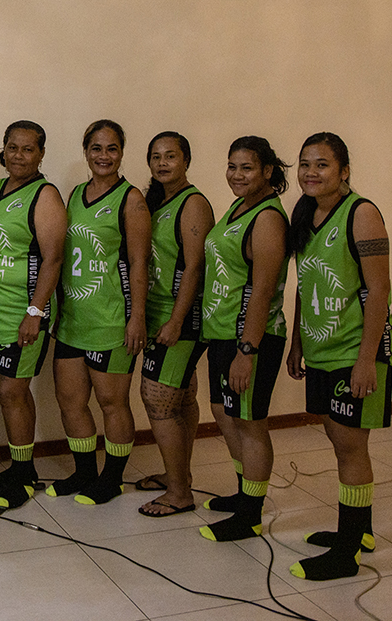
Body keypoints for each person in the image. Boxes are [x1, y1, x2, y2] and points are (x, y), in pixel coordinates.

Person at [286, 132, 392, 581]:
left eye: (322, 164)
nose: (311, 172)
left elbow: (379, 290)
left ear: (344, 170)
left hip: (355, 350)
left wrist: (366, 360)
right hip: (321, 347)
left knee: (351, 447)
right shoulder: (306, 213)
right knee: (338, 438)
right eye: (305, 164)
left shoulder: (362, 213)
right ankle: (358, 530)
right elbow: (305, 284)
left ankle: (346, 553)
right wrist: (297, 342)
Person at [48, 120, 150, 505]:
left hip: (111, 321)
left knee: (112, 403)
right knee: (70, 401)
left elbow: (139, 264)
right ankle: (84, 472)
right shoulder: (75, 194)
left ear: (121, 152)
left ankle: (113, 478)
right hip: (73, 320)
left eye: (111, 148)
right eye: (96, 148)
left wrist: (136, 318)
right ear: (86, 151)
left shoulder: (131, 200)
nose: (103, 156)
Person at [198, 136, 290, 542]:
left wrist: (247, 350)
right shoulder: (241, 206)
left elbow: (263, 290)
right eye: (232, 166)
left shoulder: (267, 218)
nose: (237, 175)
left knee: (250, 424)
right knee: (224, 413)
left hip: (250, 338)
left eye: (247, 168)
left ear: (267, 171)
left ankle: (250, 514)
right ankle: (243, 494)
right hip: (222, 332)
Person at [0, 120, 66, 509]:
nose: (19, 155)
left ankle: (24, 476)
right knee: (7, 391)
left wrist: (35, 311)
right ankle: (18, 467)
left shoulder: (45, 195)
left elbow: (53, 258)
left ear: (41, 154)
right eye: (13, 147)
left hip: (22, 315)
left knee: (12, 391)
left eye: (28, 149)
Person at [135, 132, 214, 517]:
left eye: (171, 156)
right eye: (156, 156)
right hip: (158, 312)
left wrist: (177, 320)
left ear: (186, 160)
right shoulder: (157, 201)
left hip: (179, 317)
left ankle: (180, 493)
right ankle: (177, 474)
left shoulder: (193, 203)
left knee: (157, 398)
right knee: (181, 397)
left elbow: (195, 267)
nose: (163, 163)